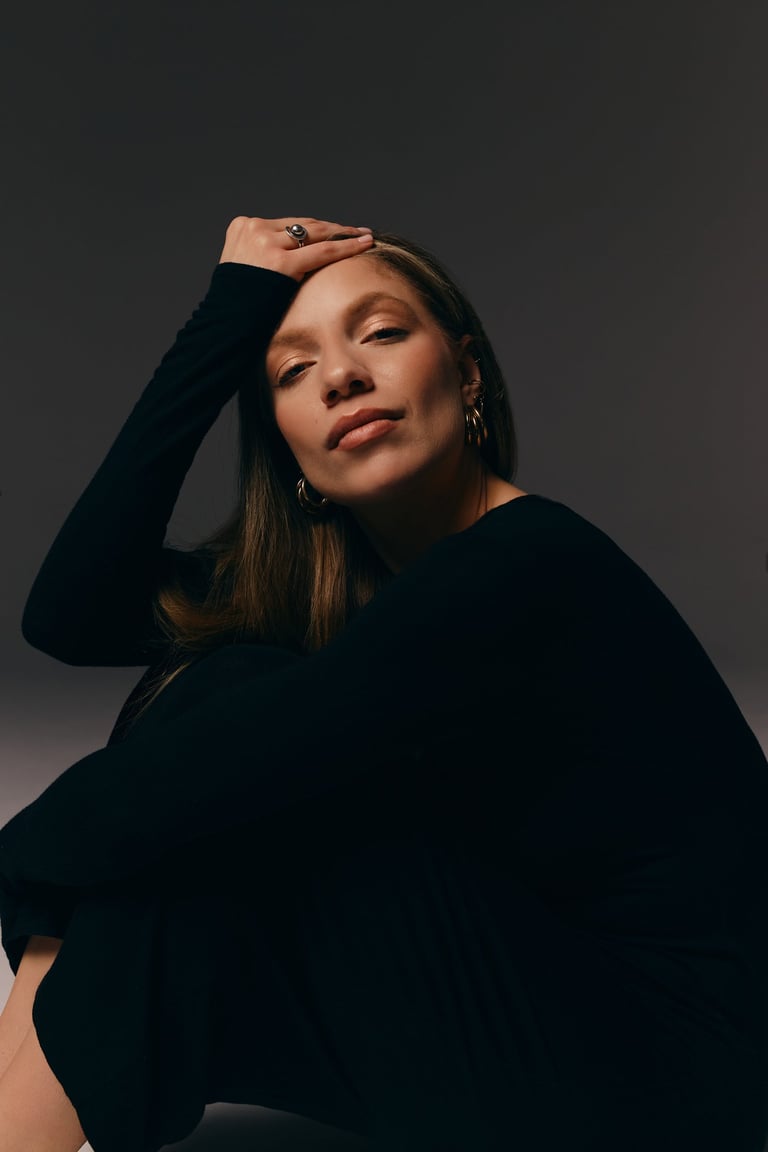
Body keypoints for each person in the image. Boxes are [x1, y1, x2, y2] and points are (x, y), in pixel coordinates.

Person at [0, 214, 767, 1152]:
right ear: (288, 447)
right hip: (541, 1012)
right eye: (293, 371)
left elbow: (169, 795)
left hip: (678, 1083)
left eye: (383, 332)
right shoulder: (346, 593)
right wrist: (226, 317)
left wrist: (24, 867)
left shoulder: (530, 561)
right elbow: (71, 615)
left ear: (469, 374)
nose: (341, 376)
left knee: (186, 810)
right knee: (220, 687)